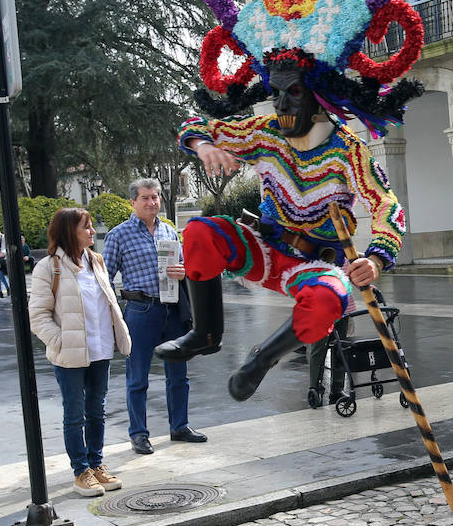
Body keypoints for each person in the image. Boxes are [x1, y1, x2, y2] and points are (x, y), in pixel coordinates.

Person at [159, 58, 406, 403]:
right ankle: (205, 333)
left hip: (313, 265)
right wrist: (204, 145)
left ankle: (260, 361)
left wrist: (377, 258)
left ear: (319, 96)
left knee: (329, 301)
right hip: (263, 249)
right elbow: (194, 124)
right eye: (275, 93)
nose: (281, 105)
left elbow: (386, 205)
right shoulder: (264, 131)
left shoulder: (349, 151)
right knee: (201, 231)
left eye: (293, 93)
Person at [29, 208, 132, 497]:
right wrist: (60, 341)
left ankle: (96, 464)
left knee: (96, 411)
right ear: (68, 231)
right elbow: (37, 316)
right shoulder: (49, 267)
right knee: (74, 414)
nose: (91, 231)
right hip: (70, 355)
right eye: (85, 227)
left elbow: (106, 303)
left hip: (100, 350)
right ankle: (80, 471)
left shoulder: (95, 260)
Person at [102, 179, 203, 456]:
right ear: (133, 202)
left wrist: (183, 272)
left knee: (179, 374)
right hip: (140, 310)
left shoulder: (169, 231)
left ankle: (179, 426)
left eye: (155, 197)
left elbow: (184, 268)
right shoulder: (118, 235)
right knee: (138, 377)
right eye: (145, 198)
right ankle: (139, 434)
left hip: (171, 309)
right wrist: (113, 318)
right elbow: (104, 278)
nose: (151, 202)